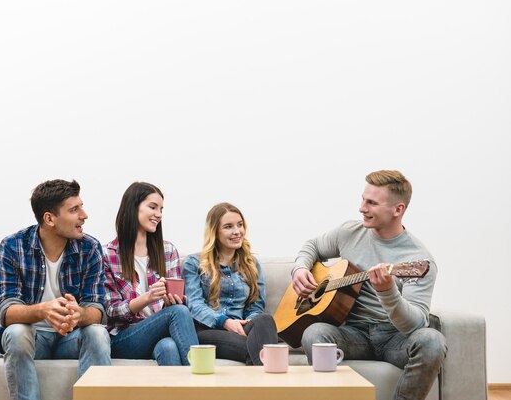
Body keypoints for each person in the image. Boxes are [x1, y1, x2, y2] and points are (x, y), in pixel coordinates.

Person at [292, 170, 447, 400]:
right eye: (363, 200)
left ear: (398, 209)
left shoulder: (418, 260)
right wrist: (301, 268)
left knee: (433, 341)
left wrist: (388, 293)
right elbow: (312, 245)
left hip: (395, 338)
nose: (362, 208)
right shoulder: (349, 232)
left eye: (372, 203)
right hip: (353, 334)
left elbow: (416, 324)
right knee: (314, 333)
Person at [0, 179, 111, 400]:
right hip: (34, 338)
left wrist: (80, 314)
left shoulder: (90, 248)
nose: (84, 215)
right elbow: (7, 312)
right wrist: (43, 310)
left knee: (98, 332)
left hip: (70, 338)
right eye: (74, 210)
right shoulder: (13, 246)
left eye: (81, 206)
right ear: (49, 218)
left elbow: (97, 310)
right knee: (16, 332)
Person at [103, 181, 198, 365]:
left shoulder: (167, 250)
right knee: (178, 312)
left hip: (160, 331)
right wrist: (148, 298)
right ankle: (203, 386)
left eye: (161, 209)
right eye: (153, 207)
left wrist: (173, 300)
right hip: (124, 336)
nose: (159, 214)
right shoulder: (107, 254)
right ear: (133, 207)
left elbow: (178, 304)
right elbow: (111, 310)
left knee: (168, 347)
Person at [182, 202, 278, 365]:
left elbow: (255, 307)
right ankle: (271, 386)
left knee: (264, 319)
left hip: (241, 328)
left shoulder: (251, 264)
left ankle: (264, 385)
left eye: (240, 225)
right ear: (215, 232)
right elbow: (194, 305)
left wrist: (247, 325)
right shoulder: (194, 263)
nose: (237, 231)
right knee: (257, 350)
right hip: (207, 329)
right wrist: (225, 322)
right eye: (228, 227)